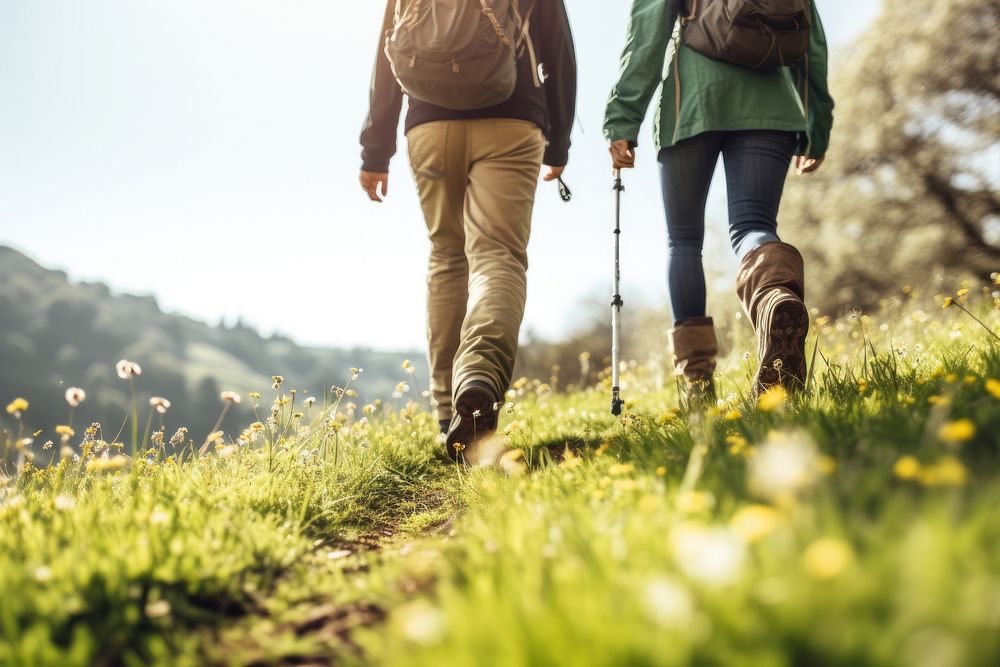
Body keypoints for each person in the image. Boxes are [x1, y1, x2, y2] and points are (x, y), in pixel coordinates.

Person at [360, 0, 577, 458]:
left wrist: (376, 148)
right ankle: (478, 376)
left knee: (446, 258)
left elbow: (387, 49)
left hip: (429, 122)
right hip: (512, 118)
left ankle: (446, 410)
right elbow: (558, 51)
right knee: (498, 256)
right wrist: (558, 140)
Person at [604, 0, 834, 406]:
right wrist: (817, 122)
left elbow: (646, 39)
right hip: (772, 105)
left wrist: (623, 119)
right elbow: (810, 37)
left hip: (693, 101)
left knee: (684, 242)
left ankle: (696, 383)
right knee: (753, 225)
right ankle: (774, 298)